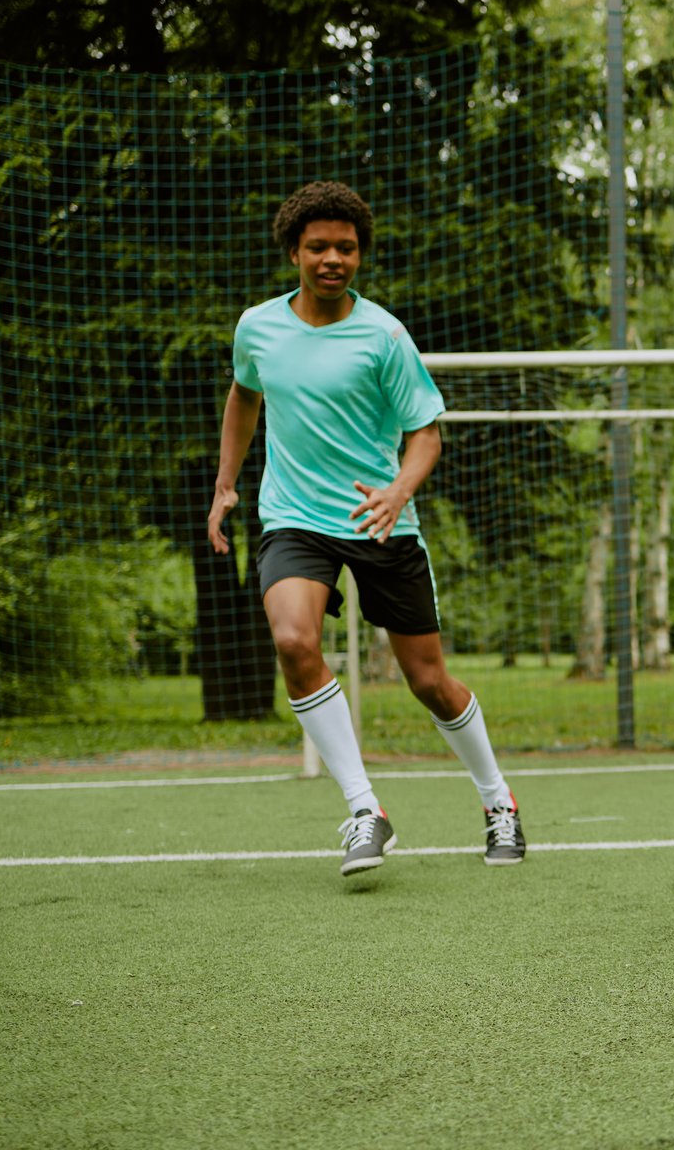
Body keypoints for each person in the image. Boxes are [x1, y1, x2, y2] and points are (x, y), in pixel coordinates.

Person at [207, 181, 526, 877]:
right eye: (318, 246)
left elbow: (425, 434)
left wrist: (397, 491)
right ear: (294, 251)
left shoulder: (385, 335)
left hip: (380, 520)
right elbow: (243, 394)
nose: (332, 259)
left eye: (345, 248)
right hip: (294, 517)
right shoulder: (258, 327)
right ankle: (364, 810)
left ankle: (498, 802)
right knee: (293, 638)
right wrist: (227, 482)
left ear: (360, 256)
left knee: (428, 679)